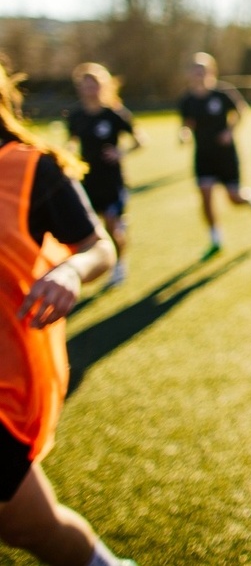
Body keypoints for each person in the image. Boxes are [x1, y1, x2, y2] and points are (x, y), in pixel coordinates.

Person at [0, 57, 138, 566]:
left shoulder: (31, 167)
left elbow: (98, 245)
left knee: (29, 525)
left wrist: (71, 271)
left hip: (6, 380)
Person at [178, 52, 251, 260]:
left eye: (203, 71)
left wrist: (230, 131)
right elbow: (186, 124)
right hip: (203, 156)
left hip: (225, 155)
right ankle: (216, 239)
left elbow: (241, 111)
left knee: (234, 199)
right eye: (195, 71)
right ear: (190, 74)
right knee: (205, 197)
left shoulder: (222, 93)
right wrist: (184, 134)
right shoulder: (187, 100)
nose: (199, 75)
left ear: (211, 72)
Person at [67, 63, 145, 287]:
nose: (90, 89)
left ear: (103, 86)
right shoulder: (76, 116)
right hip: (87, 181)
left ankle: (120, 264)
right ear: (80, 88)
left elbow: (140, 141)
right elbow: (71, 144)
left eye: (94, 84)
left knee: (111, 224)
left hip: (112, 180)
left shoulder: (114, 114)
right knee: (90, 229)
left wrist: (121, 152)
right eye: (86, 85)